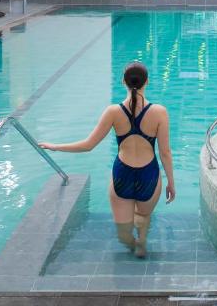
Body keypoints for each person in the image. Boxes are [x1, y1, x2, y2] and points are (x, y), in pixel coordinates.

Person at [39, 62, 174, 257]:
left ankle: (133, 242)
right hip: (149, 175)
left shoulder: (113, 112)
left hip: (122, 174)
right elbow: (165, 152)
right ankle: (142, 242)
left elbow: (88, 145)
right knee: (143, 216)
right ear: (147, 82)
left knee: (123, 234)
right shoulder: (159, 112)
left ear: (123, 82)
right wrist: (171, 182)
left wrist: (56, 146)